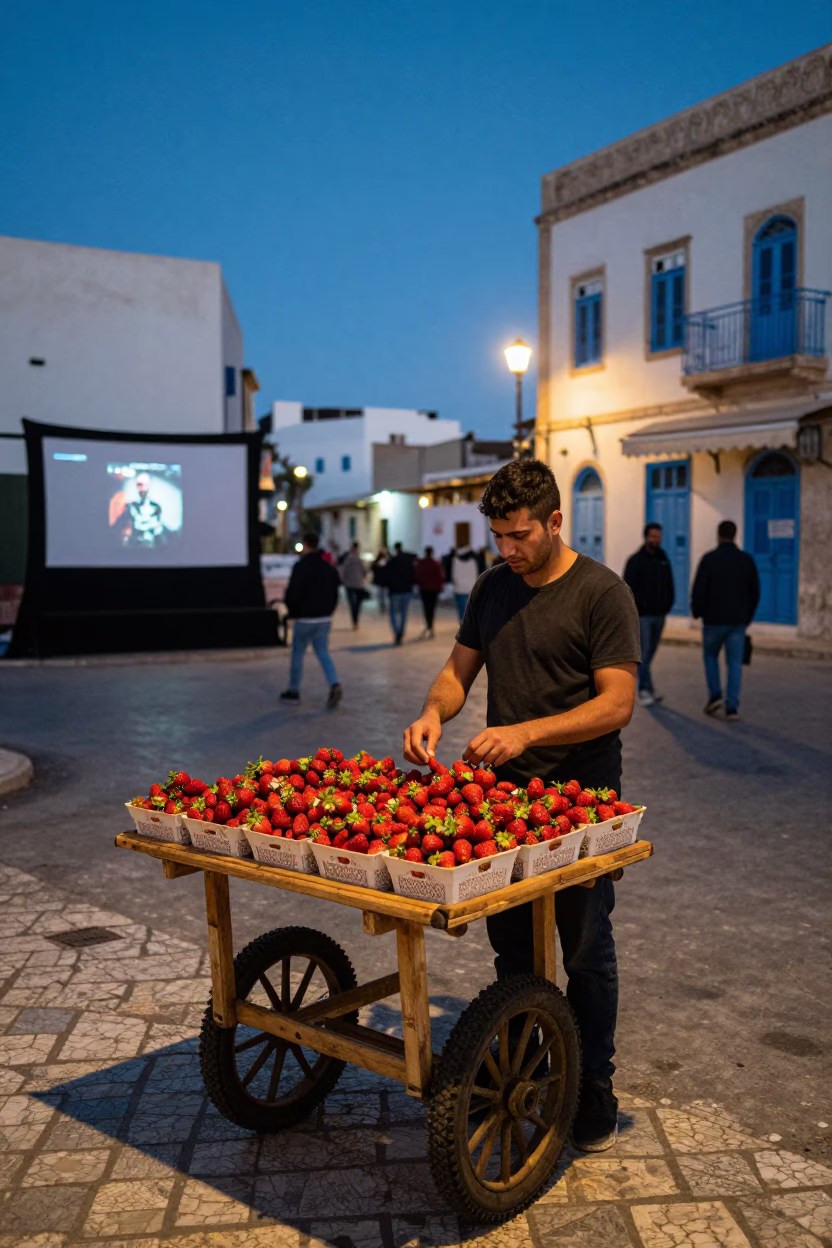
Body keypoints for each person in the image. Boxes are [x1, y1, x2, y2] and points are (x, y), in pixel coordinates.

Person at [403, 459, 640, 1153]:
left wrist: (526, 731)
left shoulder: (602, 594)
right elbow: (458, 671)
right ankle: (528, 1065)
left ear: (556, 522)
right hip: (503, 806)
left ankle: (593, 1080)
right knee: (512, 948)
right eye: (498, 536)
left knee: (587, 948)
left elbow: (616, 703)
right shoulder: (491, 589)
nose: (507, 549)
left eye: (519, 534)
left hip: (582, 801)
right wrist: (432, 712)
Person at [691, 520, 760, 721]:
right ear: (735, 534)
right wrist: (748, 616)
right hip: (737, 621)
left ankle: (714, 696)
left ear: (718, 535)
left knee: (710, 658)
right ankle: (732, 707)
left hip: (713, 620)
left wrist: (697, 612)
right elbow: (755, 591)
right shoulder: (746, 560)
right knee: (735, 664)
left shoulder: (709, 559)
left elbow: (699, 588)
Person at [280, 532, 343, 708]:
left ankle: (293, 691)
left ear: (305, 545)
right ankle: (334, 683)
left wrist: (293, 612)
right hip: (324, 618)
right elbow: (335, 592)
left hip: (305, 618)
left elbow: (293, 593)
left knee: (298, 654)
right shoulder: (328, 567)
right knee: (323, 652)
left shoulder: (300, 567)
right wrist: (329, 611)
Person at [623, 523, 675, 707]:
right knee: (644, 654)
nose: (657, 540)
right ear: (646, 537)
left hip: (660, 614)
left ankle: (648, 687)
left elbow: (669, 583)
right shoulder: (635, 561)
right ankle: (644, 689)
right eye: (653, 536)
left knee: (650, 653)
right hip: (643, 616)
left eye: (659, 536)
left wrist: (668, 603)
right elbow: (627, 589)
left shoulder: (663, 558)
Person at [385, 542, 416, 644]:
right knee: (403, 613)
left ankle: (396, 632)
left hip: (394, 591)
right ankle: (401, 632)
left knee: (393, 613)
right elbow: (413, 575)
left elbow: (387, 576)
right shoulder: (408, 561)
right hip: (406, 590)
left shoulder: (391, 561)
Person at [414, 546, 445, 638]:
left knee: (426, 608)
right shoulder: (435, 564)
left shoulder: (422, 563)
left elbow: (418, 575)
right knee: (432, 608)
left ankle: (428, 625)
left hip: (424, 589)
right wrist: (440, 588)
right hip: (434, 590)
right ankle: (430, 626)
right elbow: (440, 576)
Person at [450, 540, 480, 621]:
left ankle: (462, 625)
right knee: (470, 609)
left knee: (461, 609)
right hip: (471, 588)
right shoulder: (473, 562)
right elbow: (475, 574)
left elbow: (454, 575)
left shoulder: (455, 561)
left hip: (460, 589)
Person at [340, 542, 367, 629]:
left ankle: (354, 621)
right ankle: (356, 621)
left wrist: (343, 580)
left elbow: (344, 571)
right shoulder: (360, 559)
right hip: (358, 584)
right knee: (357, 604)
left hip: (349, 584)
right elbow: (365, 571)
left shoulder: (348, 559)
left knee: (352, 604)